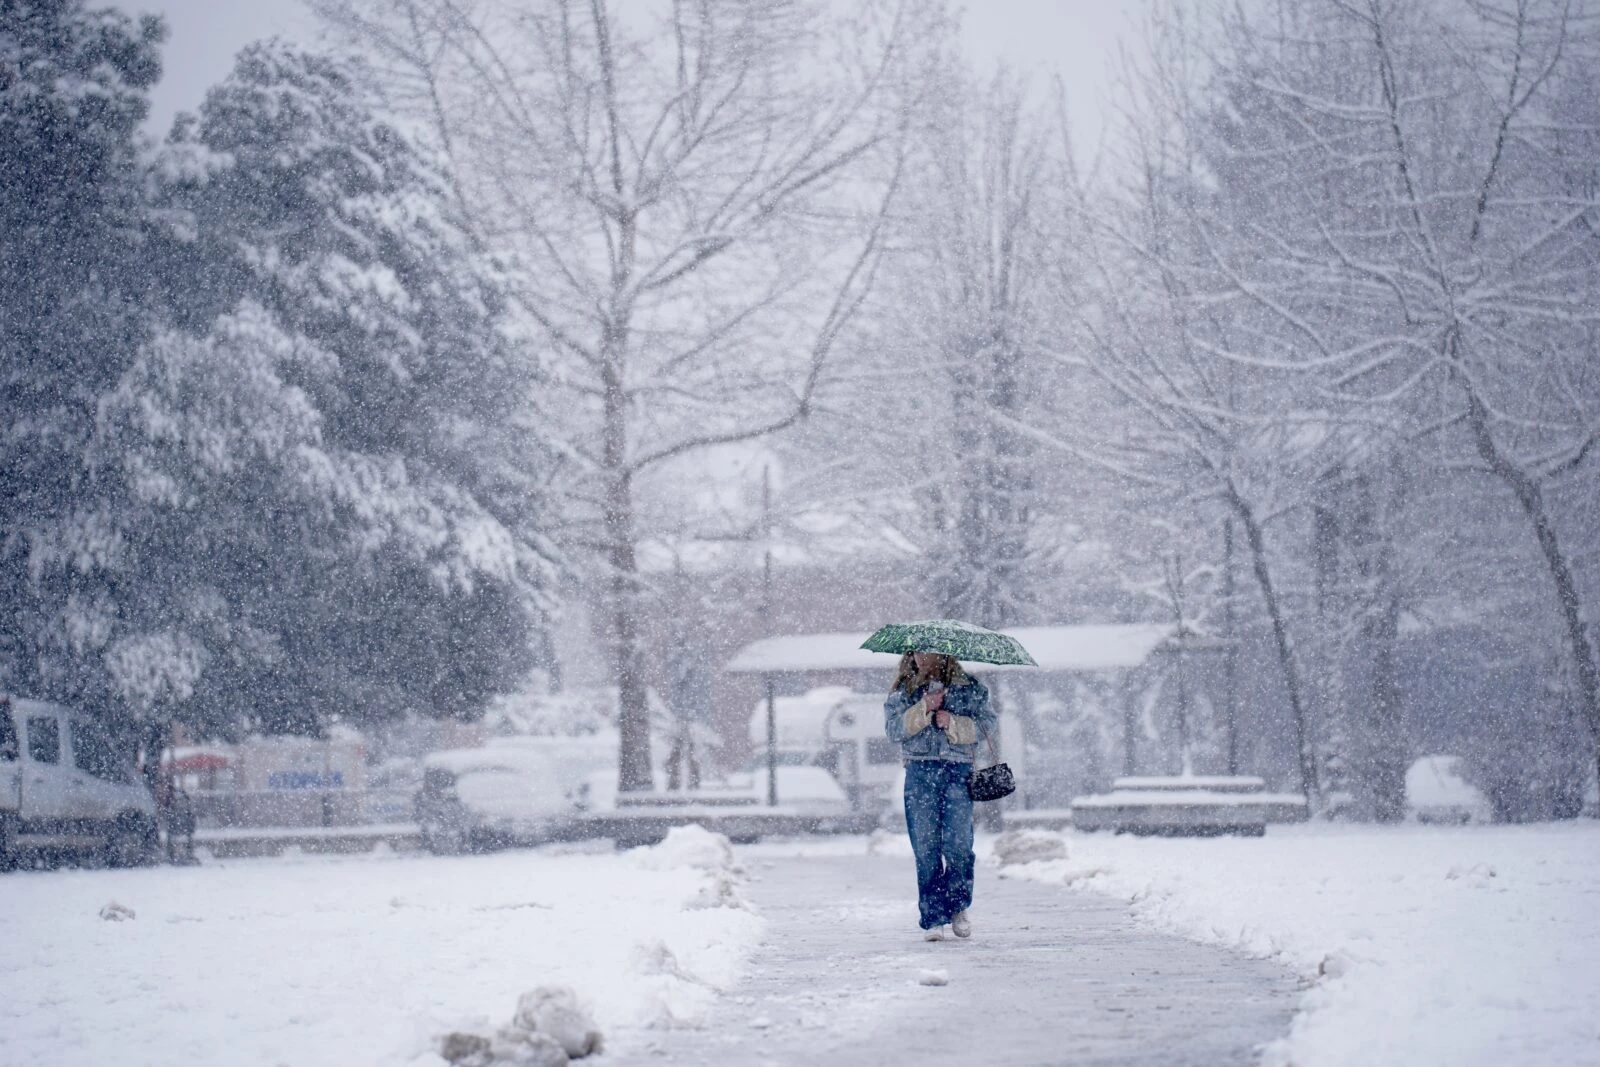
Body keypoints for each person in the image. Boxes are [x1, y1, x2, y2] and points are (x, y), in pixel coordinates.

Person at [883, 650, 996, 941]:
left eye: (926, 652)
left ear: (942, 654)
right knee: (926, 846)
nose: (920, 657)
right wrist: (923, 708)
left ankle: (958, 906)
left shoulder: (969, 689)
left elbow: (988, 725)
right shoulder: (903, 691)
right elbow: (893, 730)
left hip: (957, 771)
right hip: (920, 773)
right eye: (915, 652)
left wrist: (953, 722)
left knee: (958, 844)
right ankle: (933, 916)